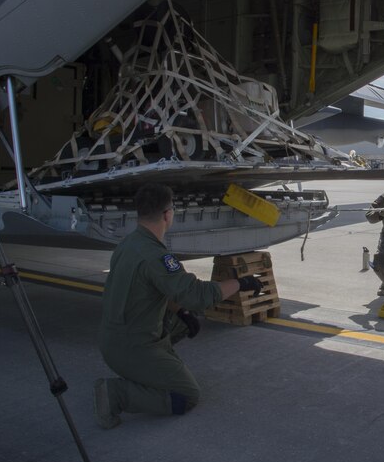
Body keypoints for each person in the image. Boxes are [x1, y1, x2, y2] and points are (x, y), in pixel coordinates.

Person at [94, 183, 262, 429]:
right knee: (186, 395)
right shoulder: (156, 256)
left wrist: (180, 311)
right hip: (131, 346)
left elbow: (157, 288)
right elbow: (197, 295)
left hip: (114, 337)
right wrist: (241, 282)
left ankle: (148, 370)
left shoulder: (128, 243)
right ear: (167, 214)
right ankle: (116, 393)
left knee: (181, 321)